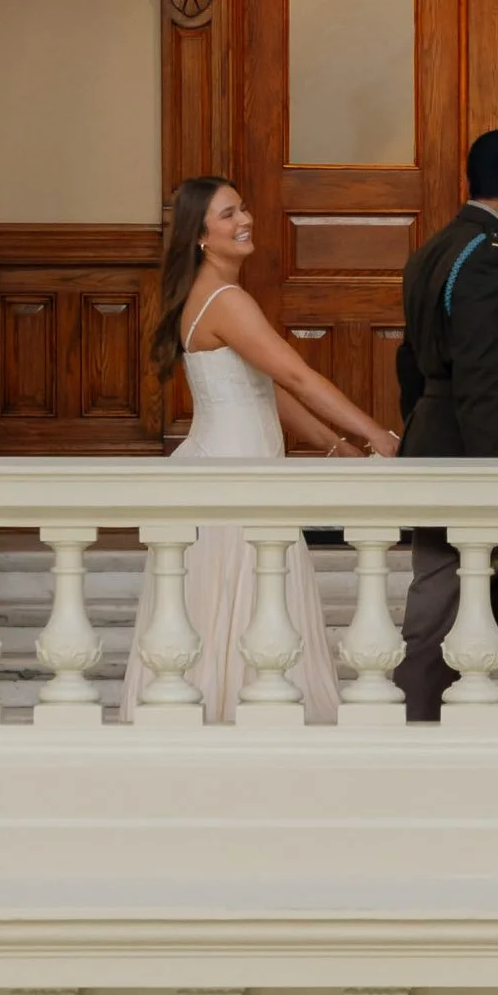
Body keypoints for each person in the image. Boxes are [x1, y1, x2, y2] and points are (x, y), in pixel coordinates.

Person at [124, 175, 399, 724]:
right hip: (235, 478)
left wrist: (335, 446)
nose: (244, 220)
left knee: (239, 608)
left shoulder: (209, 294)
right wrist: (377, 435)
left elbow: (265, 388)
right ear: (201, 235)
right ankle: (239, 719)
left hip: (230, 468)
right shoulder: (225, 300)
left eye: (242, 208)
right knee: (246, 603)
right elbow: (297, 377)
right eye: (228, 214)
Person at [396, 128, 498, 723]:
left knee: (439, 585)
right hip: (478, 453)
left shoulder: (435, 247)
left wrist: (417, 434)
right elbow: (482, 380)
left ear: (470, 178)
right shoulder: (490, 259)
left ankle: (420, 715)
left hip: (434, 442)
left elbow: (409, 360)